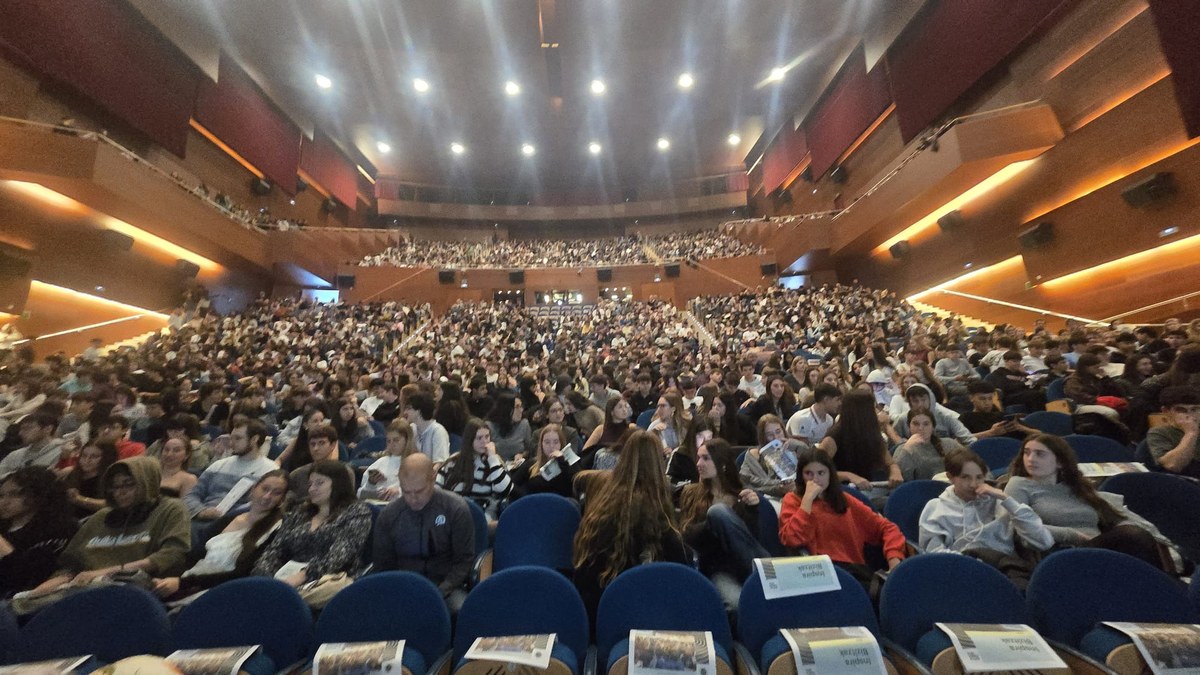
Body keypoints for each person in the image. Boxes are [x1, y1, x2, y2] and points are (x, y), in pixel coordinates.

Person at [29, 456, 191, 597]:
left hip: (132, 588)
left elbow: (171, 555)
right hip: (79, 588)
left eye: (129, 484)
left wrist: (105, 572)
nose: (120, 492)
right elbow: (71, 563)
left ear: (146, 482)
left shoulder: (170, 509)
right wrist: (46, 588)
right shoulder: (102, 516)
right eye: (115, 486)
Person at [1004, 434, 1171, 570]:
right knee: (1133, 536)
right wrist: (1071, 535)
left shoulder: (1075, 486)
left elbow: (1111, 516)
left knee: (1136, 535)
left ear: (1060, 462)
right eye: (1027, 452)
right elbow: (1021, 528)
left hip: (1098, 546)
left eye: (1040, 454)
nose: (1031, 459)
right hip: (1061, 554)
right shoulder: (1019, 484)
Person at [573, 431, 688, 622]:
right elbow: (679, 572)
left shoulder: (604, 501)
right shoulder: (653, 509)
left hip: (594, 609)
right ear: (657, 464)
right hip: (633, 613)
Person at [918, 449, 1052, 590]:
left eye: (979, 477)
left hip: (1008, 569)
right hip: (964, 570)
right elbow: (934, 552)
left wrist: (1006, 499)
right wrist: (975, 566)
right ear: (950, 477)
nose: (973, 484)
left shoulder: (999, 502)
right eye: (965, 477)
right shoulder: (936, 508)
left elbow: (1044, 541)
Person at [152, 470, 288, 600]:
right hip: (191, 580)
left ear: (281, 500)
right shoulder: (229, 518)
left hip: (223, 590)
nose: (267, 496)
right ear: (253, 489)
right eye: (265, 489)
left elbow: (242, 573)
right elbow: (195, 555)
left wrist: (182, 583)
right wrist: (171, 579)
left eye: (276, 493)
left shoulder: (277, 529)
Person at [778, 448, 906, 586]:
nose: (815, 479)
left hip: (853, 572)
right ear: (801, 476)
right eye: (809, 473)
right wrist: (807, 501)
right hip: (819, 574)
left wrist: (894, 560)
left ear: (829, 475)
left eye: (821, 473)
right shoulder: (793, 500)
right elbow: (791, 538)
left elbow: (887, 527)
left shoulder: (844, 499)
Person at [372, 453, 476, 611]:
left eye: (419, 491)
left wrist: (441, 590)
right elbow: (383, 565)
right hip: (402, 586)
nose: (413, 498)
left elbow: (463, 561)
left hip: (446, 587)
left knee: (461, 610)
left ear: (433, 479)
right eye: (406, 492)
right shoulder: (389, 515)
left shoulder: (455, 509)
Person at [253, 460, 373, 586]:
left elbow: (340, 556)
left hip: (327, 581)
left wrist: (304, 575)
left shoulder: (357, 512)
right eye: (310, 484)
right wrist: (264, 576)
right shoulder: (302, 512)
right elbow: (275, 548)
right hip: (285, 578)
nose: (312, 489)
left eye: (319, 483)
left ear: (338, 484)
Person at [679, 439, 767, 606]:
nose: (699, 463)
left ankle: (761, 572)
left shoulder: (741, 496)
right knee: (736, 603)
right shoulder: (691, 493)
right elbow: (687, 535)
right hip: (718, 566)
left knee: (719, 512)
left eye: (706, 458)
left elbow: (752, 538)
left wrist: (752, 510)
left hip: (741, 563)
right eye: (698, 458)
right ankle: (765, 572)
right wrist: (713, 524)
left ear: (722, 464)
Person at [0, 467, 79, 597]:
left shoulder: (59, 529)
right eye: (1, 495)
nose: (4, 502)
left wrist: (5, 549)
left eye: (15, 494)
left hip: (23, 599)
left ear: (38, 494)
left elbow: (29, 577)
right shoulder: (4, 526)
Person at [185, 419, 279, 522]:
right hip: (204, 518)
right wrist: (201, 511)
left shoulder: (270, 471)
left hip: (238, 523)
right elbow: (192, 495)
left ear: (254, 439)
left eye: (237, 438)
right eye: (231, 438)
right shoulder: (218, 465)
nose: (231, 443)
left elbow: (262, 505)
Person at [817, 391, 902, 500]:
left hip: (865, 488)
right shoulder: (833, 438)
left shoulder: (871, 433)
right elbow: (818, 471)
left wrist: (895, 471)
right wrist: (849, 476)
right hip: (840, 491)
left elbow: (889, 462)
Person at [435, 418, 512, 519]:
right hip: (454, 513)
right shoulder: (453, 461)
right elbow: (436, 488)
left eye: (487, 437)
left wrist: (492, 458)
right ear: (469, 440)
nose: (484, 442)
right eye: (479, 438)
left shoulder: (494, 462)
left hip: (483, 515)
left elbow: (506, 490)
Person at [740, 415, 805, 498]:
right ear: (763, 437)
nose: (776, 437)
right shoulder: (754, 455)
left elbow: (813, 459)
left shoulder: (794, 447)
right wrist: (779, 487)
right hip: (770, 496)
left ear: (783, 430)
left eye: (778, 432)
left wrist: (796, 445)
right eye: (770, 435)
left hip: (799, 492)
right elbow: (746, 479)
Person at [892, 384, 976, 446]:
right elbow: (892, 446)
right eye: (915, 401)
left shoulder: (945, 417)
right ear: (909, 403)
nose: (920, 404)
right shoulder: (902, 419)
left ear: (930, 399)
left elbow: (968, 438)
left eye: (923, 399)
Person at [893, 410, 966, 481]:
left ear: (933, 427)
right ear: (909, 427)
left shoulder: (949, 444)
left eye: (926, 424)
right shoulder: (903, 450)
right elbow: (899, 480)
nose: (920, 428)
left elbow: (969, 463)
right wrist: (907, 448)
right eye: (915, 424)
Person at [511, 424, 579, 500]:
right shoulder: (532, 464)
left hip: (560, 504)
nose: (551, 446)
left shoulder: (570, 463)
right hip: (536, 504)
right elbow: (513, 483)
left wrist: (561, 461)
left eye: (556, 442)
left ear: (561, 443)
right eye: (547, 442)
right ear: (541, 444)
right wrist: (526, 497)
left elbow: (574, 485)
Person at [1146, 386, 1200, 478]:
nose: (1189, 415)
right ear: (1166, 411)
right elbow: (1172, 465)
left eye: (1194, 409)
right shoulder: (1159, 433)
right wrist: (1190, 433)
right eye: (1181, 410)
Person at [287, 425, 354, 498]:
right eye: (312, 444)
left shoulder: (345, 472)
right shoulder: (297, 475)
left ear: (332, 445)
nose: (316, 448)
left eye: (321, 443)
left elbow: (348, 501)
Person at [358, 419, 418, 500]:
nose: (392, 444)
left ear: (407, 440)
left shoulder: (417, 463)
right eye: (389, 441)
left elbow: (422, 491)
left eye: (396, 440)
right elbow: (361, 494)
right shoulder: (381, 462)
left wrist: (399, 491)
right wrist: (371, 483)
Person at [0, 412, 65, 477]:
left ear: (48, 429)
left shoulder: (61, 453)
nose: (20, 433)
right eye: (21, 429)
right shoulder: (16, 455)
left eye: (28, 428)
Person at [588, 396, 638, 469]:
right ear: (612, 412)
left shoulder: (632, 427)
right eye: (620, 407)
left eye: (625, 406)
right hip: (605, 466)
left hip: (626, 465)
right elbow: (587, 450)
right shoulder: (601, 429)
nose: (624, 410)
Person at [405, 392, 450, 464]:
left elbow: (440, 463)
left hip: (433, 473)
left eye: (408, 408)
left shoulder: (438, 431)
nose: (405, 412)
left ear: (418, 411)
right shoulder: (412, 428)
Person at [486, 392, 534, 461]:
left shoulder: (524, 424)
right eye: (517, 407)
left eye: (521, 406)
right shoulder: (489, 426)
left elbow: (529, 450)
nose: (521, 410)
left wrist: (522, 455)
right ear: (506, 409)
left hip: (517, 467)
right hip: (495, 466)